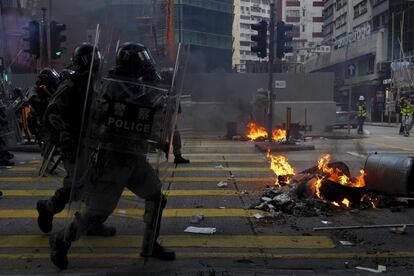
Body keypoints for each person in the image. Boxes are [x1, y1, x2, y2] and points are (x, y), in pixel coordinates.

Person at [48, 42, 175, 270]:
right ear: (133, 64)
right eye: (141, 61)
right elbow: (100, 123)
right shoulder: (110, 89)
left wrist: (159, 139)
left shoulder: (138, 87)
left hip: (133, 157)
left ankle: (150, 245)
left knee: (157, 198)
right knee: (96, 214)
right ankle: (62, 239)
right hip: (112, 161)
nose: (145, 65)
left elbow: (143, 122)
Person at [36, 43, 116, 237]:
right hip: (74, 141)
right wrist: (64, 135)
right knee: (77, 185)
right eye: (92, 58)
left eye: (97, 58)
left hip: (92, 141)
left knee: (95, 183)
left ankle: (93, 222)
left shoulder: (96, 83)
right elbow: (52, 111)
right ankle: (48, 207)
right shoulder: (72, 84)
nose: (96, 62)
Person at [158, 68, 189, 164]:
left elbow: (176, 105)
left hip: (167, 116)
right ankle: (167, 148)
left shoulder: (172, 90)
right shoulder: (159, 89)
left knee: (175, 134)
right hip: (158, 116)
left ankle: (177, 155)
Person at [26, 68, 60, 144]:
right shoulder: (35, 89)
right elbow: (32, 98)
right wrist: (43, 101)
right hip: (41, 113)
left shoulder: (51, 88)